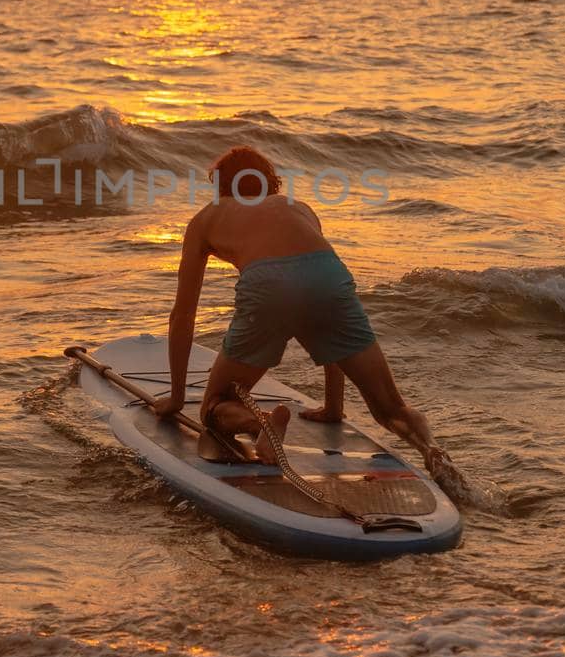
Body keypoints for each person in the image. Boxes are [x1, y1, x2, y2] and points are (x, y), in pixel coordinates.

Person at [150, 146, 457, 480]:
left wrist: (177, 397)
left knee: (214, 407)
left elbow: (183, 314)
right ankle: (432, 450)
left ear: (221, 188)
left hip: (268, 286)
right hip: (328, 276)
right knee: (391, 407)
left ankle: (262, 423)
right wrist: (333, 408)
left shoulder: (208, 217)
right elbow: (325, 325)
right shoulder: (300, 208)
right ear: (271, 183)